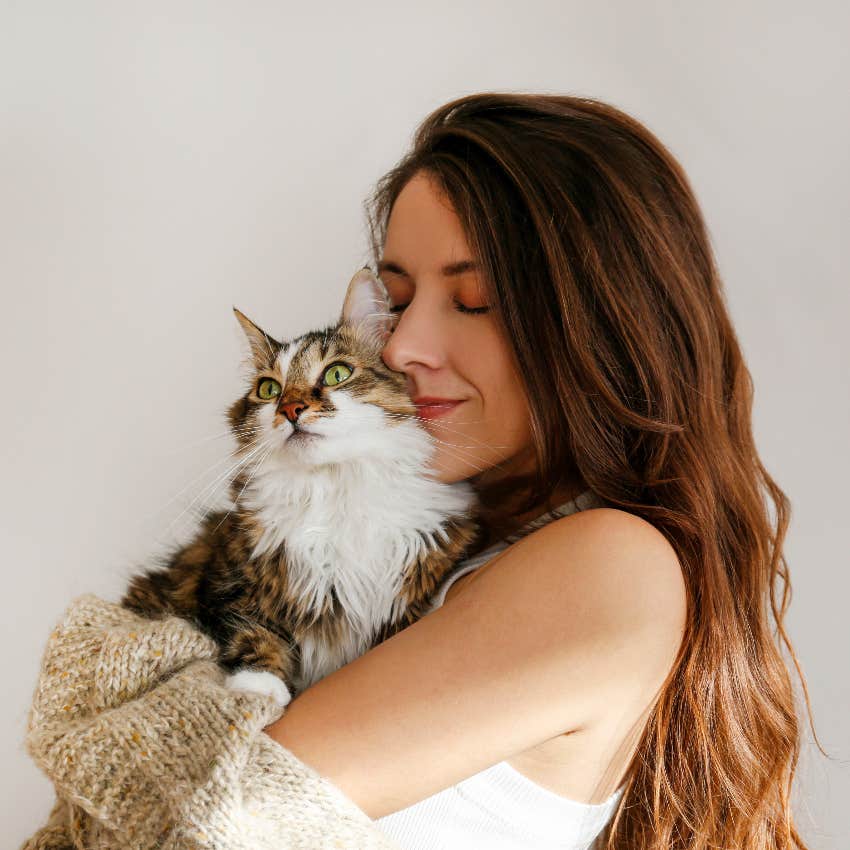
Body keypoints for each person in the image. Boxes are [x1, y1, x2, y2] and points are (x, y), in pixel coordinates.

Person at [260, 93, 818, 849]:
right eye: (396, 301)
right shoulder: (452, 558)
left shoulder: (607, 565)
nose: (399, 349)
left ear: (601, 324)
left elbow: (227, 805)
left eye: (475, 301)